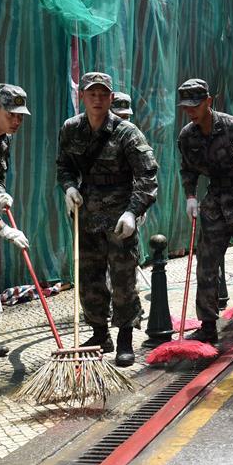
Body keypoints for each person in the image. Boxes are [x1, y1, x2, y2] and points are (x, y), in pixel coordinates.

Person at [56, 72, 158, 367]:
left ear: (111, 98)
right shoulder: (71, 129)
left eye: (103, 94)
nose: (97, 99)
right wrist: (69, 187)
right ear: (83, 97)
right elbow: (63, 165)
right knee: (88, 278)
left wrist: (133, 211)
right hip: (86, 216)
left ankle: (125, 338)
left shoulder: (127, 132)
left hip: (119, 220)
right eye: (92, 94)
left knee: (124, 279)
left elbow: (147, 175)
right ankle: (100, 333)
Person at [176, 78, 233, 345]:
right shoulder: (187, 135)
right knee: (206, 263)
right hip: (216, 197)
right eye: (186, 106)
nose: (190, 111)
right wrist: (190, 196)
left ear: (209, 101)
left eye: (195, 105)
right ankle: (208, 325)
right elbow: (187, 168)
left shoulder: (232, 126)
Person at [0, 83, 31, 358]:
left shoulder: (5, 138)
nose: (16, 121)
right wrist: (1, 227)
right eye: (10, 114)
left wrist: (0, 194)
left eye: (20, 116)